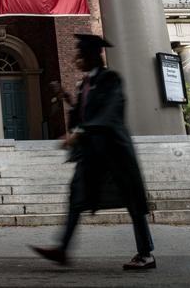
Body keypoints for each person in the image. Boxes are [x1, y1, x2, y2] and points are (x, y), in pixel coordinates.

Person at [30, 33, 156, 270]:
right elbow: (82, 114)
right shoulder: (85, 85)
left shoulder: (110, 79)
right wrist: (65, 98)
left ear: (90, 57)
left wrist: (79, 133)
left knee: (132, 201)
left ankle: (146, 253)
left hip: (114, 151)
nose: (75, 60)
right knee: (76, 196)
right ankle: (62, 250)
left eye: (79, 56)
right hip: (92, 152)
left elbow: (109, 112)